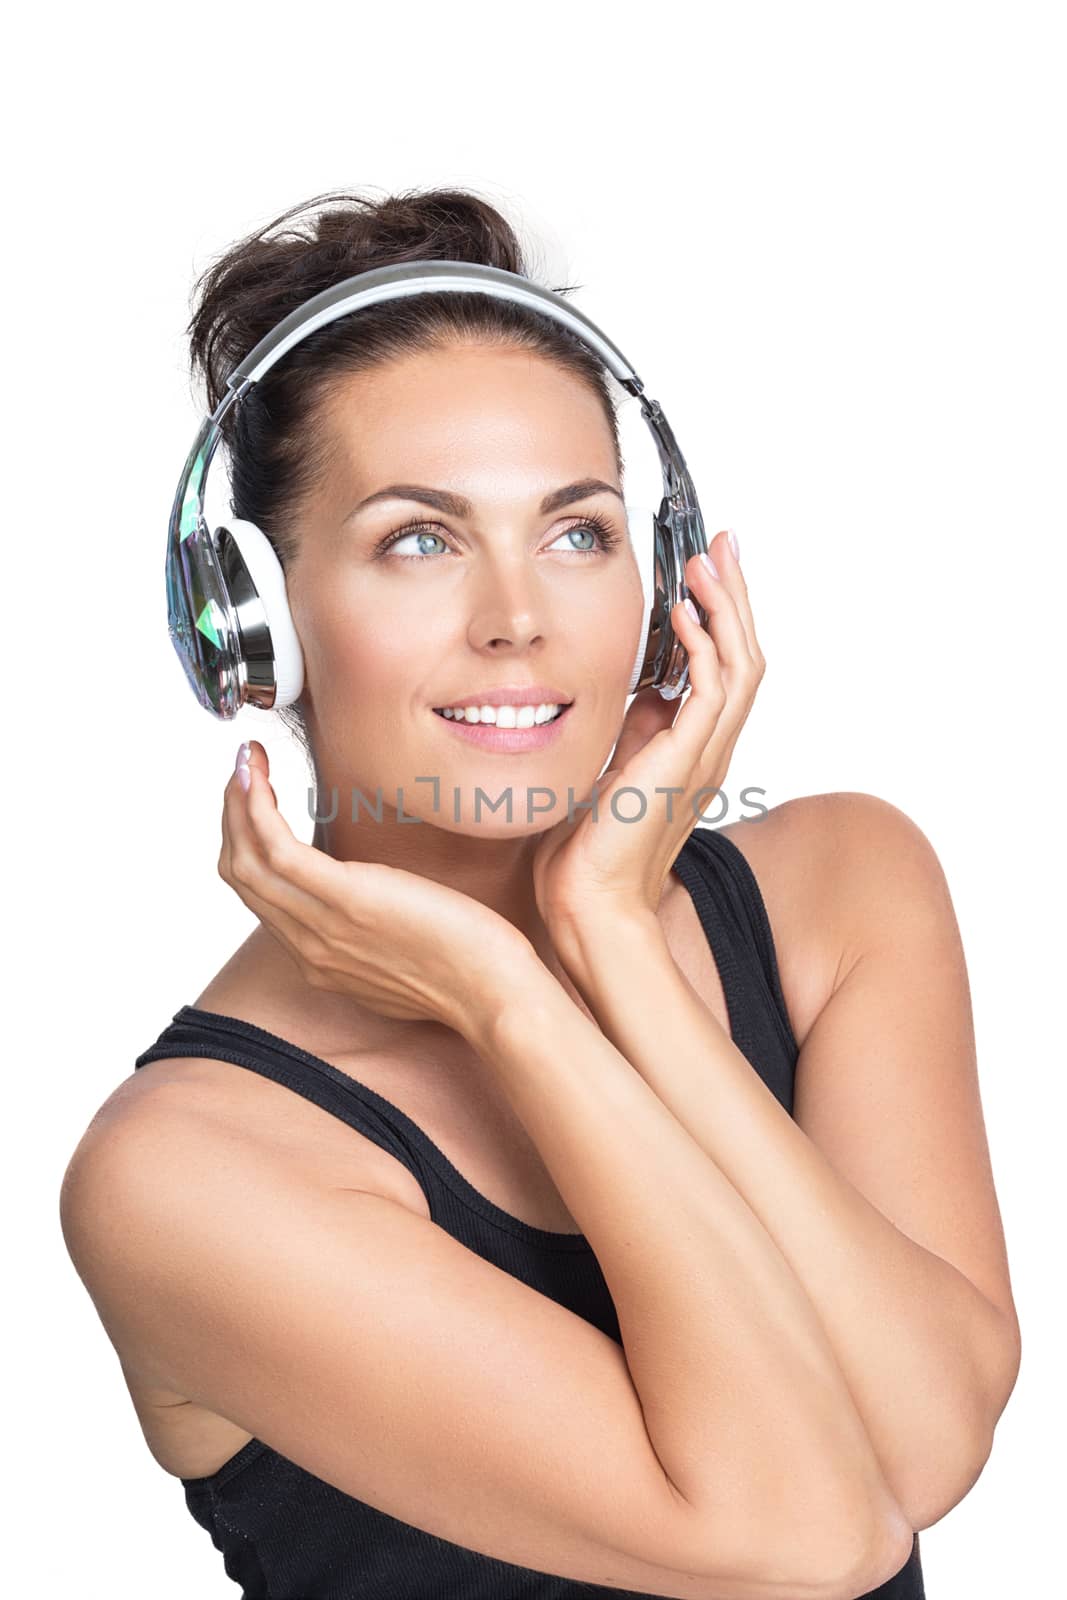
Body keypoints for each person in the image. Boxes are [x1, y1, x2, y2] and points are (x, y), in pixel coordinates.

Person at [59, 187, 1020, 1600]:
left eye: (576, 533)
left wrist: (611, 936)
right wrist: (512, 999)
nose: (517, 615)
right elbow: (807, 1539)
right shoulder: (186, 1173)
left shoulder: (841, 890)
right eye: (419, 541)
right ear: (254, 624)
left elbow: (927, 1446)